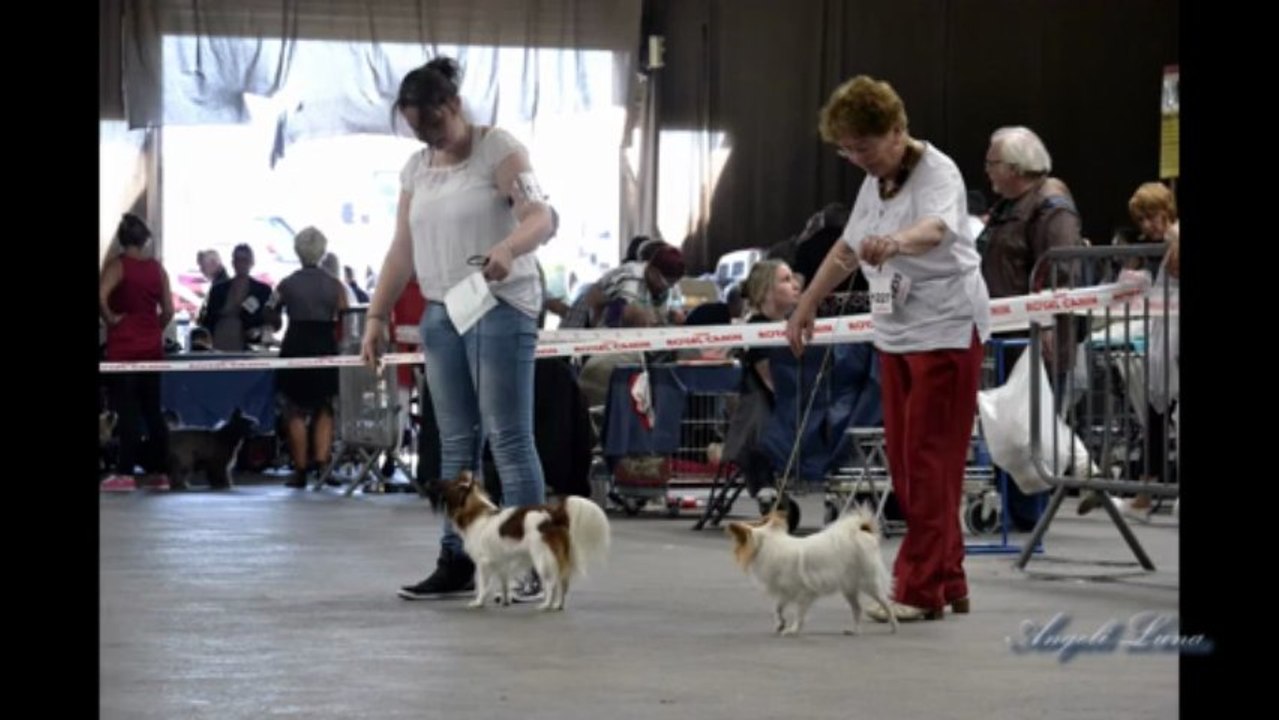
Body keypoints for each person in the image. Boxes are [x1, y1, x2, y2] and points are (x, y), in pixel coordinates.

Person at [785, 75, 990, 622]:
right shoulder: (873, 183)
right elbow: (847, 249)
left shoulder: (937, 171)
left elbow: (937, 229)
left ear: (897, 132)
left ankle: (921, 590)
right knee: (905, 464)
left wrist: (896, 243)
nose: (855, 157)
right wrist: (806, 304)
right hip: (896, 332)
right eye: (846, 148)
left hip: (946, 329)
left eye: (864, 145)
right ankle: (950, 579)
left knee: (928, 464)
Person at [359, 56, 556, 601]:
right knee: (453, 445)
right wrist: (377, 315)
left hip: (501, 302)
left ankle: (531, 560)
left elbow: (542, 217)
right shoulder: (416, 169)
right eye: (417, 129)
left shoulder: (498, 148)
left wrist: (507, 247)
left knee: (509, 439)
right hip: (443, 310)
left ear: (455, 106)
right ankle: (457, 559)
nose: (429, 137)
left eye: (435, 124)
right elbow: (403, 249)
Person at [977, 125, 1085, 530]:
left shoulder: (1051, 206)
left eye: (992, 163)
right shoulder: (1010, 204)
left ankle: (1027, 515)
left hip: (1038, 335)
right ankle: (1016, 512)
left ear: (1015, 167)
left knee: (1030, 430)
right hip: (1007, 332)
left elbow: (1061, 271)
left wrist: (1045, 328)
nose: (986, 171)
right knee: (1008, 426)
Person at [1078, 181, 1180, 519]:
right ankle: (1144, 495)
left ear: (1167, 211)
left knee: (1165, 412)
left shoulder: (1175, 237)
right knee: (1155, 412)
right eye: (1143, 220)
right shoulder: (1156, 246)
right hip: (1163, 337)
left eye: (1153, 216)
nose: (1149, 225)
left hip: (1173, 337)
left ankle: (1146, 495)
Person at [267, 228, 349, 488]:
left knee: (294, 409)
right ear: (323, 252)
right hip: (324, 344)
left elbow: (271, 315)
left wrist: (277, 320)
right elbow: (345, 318)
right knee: (325, 407)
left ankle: (300, 470)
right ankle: (323, 466)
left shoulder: (286, 283)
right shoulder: (335, 285)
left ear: (297, 251)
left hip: (295, 344)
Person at [99, 213, 174, 492]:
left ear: (121, 238)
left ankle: (125, 472)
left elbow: (100, 296)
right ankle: (160, 472)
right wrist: (154, 328)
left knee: (127, 411)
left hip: (124, 347)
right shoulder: (157, 269)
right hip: (151, 347)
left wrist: (111, 319)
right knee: (153, 412)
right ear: (145, 240)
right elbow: (168, 310)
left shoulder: (117, 266)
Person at [199, 243, 273, 351]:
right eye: (238, 260)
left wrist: (259, 331)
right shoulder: (218, 289)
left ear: (252, 262)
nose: (241, 264)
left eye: (245, 260)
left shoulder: (262, 290)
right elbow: (208, 320)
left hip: (248, 343)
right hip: (219, 340)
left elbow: (268, 320)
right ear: (233, 263)